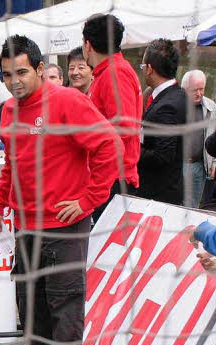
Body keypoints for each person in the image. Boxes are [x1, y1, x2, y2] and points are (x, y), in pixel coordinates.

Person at [0, 35, 118, 345]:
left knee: (65, 309)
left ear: (41, 69)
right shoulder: (9, 111)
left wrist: (86, 200)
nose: (15, 81)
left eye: (23, 72)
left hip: (65, 228)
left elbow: (109, 146)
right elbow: (12, 163)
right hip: (26, 227)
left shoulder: (68, 102)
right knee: (32, 310)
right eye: (7, 74)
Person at [81, 14, 141, 215]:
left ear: (87, 45)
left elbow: (124, 127)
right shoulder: (107, 72)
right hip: (108, 176)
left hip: (114, 178)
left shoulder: (115, 73)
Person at [137, 38, 186, 205]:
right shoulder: (176, 95)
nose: (143, 71)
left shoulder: (168, 106)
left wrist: (131, 150)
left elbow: (162, 156)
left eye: (143, 67)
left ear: (150, 69)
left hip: (159, 195)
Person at [181, 70, 216, 208]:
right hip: (179, 163)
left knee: (193, 206)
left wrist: (214, 163)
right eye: (195, 90)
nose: (199, 93)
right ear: (184, 89)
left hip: (199, 165)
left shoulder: (211, 108)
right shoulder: (177, 106)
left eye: (202, 89)